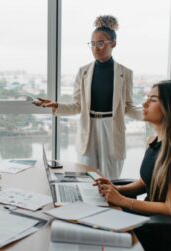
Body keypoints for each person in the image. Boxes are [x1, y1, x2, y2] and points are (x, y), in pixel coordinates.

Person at [34, 15, 142, 179]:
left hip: (112, 129)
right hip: (88, 129)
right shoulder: (83, 72)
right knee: (85, 178)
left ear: (113, 44)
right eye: (92, 43)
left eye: (100, 43)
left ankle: (110, 205)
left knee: (110, 181)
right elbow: (77, 106)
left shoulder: (125, 73)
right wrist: (56, 105)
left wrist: (149, 114)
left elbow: (127, 106)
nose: (95, 48)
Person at [95, 81, 171, 250]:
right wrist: (115, 189)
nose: (144, 104)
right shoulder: (155, 142)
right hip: (146, 217)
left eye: (153, 99)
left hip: (157, 229)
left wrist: (122, 200)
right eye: (147, 98)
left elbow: (169, 207)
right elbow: (146, 182)